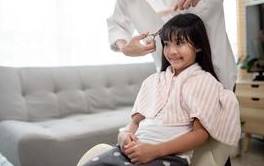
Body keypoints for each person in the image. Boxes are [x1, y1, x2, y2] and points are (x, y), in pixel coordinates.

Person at [82, 13, 241, 166]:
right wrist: (124, 136)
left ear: (198, 46)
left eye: (179, 43)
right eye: (166, 44)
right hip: (130, 151)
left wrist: (154, 151)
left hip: (168, 157)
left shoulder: (205, 82)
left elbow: (201, 135)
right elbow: (134, 124)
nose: (171, 51)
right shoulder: (153, 81)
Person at [86, 0, 262, 90]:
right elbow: (116, 24)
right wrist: (125, 48)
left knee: (216, 140)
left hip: (217, 75)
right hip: (171, 86)